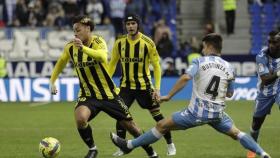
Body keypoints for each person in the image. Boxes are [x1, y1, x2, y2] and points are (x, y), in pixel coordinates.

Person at [110, 33, 271, 158]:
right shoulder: (229, 67)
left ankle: (129, 145)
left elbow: (186, 77)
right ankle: (263, 153)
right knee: (238, 133)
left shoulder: (199, 62)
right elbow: (230, 93)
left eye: (203, 47)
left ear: (208, 46)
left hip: (195, 113)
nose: (202, 50)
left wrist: (169, 96)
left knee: (161, 125)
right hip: (217, 114)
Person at [49, 15, 158, 158]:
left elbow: (101, 57)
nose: (75, 33)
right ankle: (93, 149)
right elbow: (61, 62)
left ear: (88, 29)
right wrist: (52, 81)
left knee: (132, 127)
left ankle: (151, 153)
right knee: (81, 118)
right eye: (74, 30)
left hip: (109, 94)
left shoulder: (99, 42)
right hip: (88, 94)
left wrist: (83, 49)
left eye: (78, 30)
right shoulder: (71, 47)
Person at [108, 14, 176, 156]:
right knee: (120, 116)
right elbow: (112, 64)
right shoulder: (119, 43)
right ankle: (122, 147)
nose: (131, 26)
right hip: (126, 87)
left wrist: (157, 89)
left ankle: (170, 143)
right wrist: (106, 82)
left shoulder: (148, 42)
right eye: (128, 24)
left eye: (133, 23)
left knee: (158, 117)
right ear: (125, 26)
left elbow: (157, 67)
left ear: (138, 25)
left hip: (144, 87)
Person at [247, 31, 280, 158]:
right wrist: (278, 73)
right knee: (256, 123)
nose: (271, 45)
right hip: (265, 92)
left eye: (275, 42)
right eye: (270, 42)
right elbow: (265, 80)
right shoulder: (262, 55)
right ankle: (253, 146)